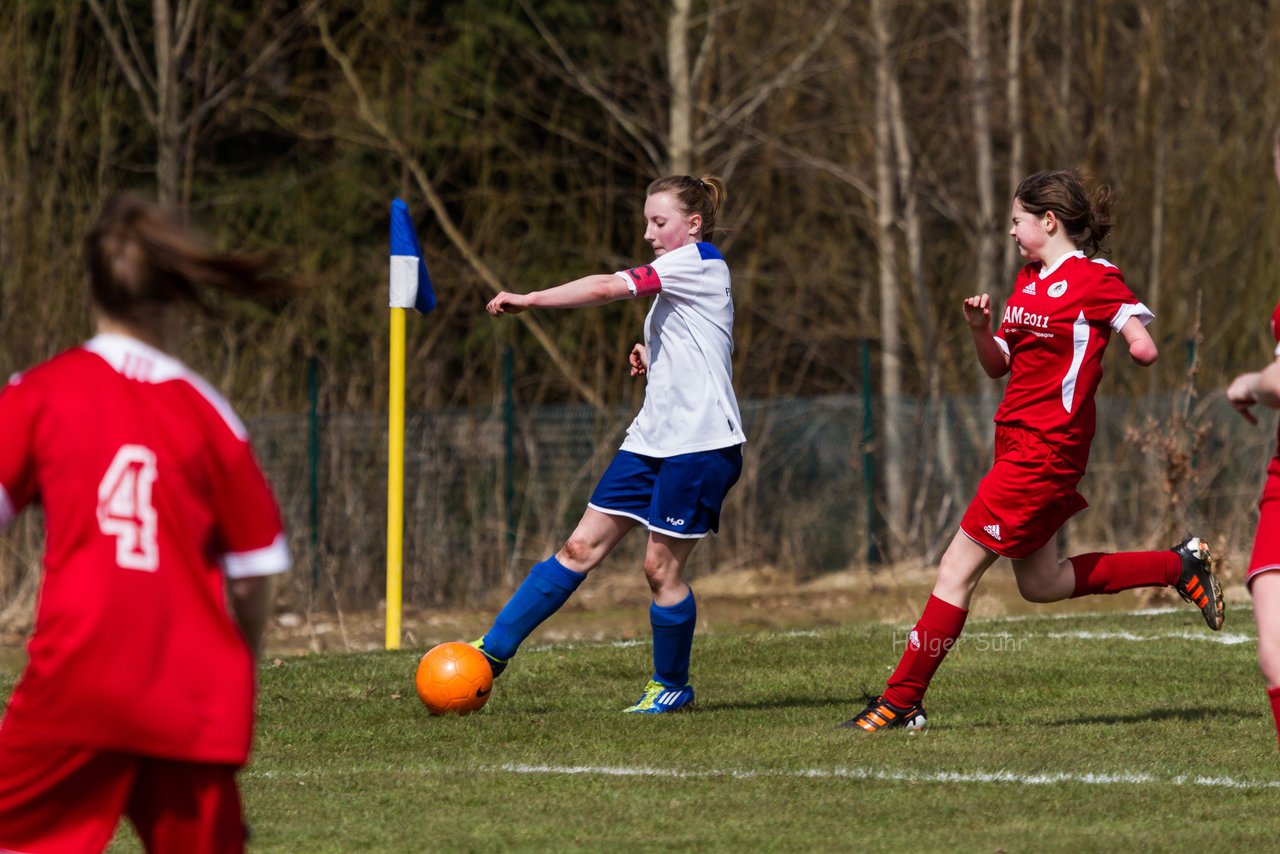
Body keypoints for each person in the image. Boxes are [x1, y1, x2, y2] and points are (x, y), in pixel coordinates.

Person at [841, 169, 1224, 733]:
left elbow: (1143, 346)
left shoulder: (1096, 279)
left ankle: (900, 701)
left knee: (954, 570)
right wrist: (980, 330)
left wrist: (1134, 340)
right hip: (1015, 444)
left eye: (1017, 221)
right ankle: (1178, 564)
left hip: (1045, 452)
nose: (1012, 232)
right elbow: (1000, 363)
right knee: (1040, 584)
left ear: (1049, 221)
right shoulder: (1027, 280)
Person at [0, 194, 292, 851]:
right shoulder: (208, 413)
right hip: (190, 696)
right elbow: (253, 576)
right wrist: (238, 666)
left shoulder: (39, 393)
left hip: (78, 683)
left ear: (90, 287)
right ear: (177, 295)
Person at [473, 174, 744, 714]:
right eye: (646, 221)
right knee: (579, 548)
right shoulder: (677, 272)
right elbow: (693, 343)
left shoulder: (698, 261)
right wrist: (653, 355)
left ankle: (671, 685)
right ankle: (490, 653)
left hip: (701, 444)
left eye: (658, 222)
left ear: (692, 225)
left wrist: (533, 298)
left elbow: (603, 287)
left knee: (659, 569)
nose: (647, 232)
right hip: (652, 439)